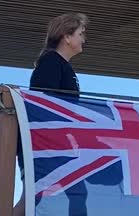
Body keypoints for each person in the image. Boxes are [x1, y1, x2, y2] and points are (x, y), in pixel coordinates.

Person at [14, 13, 88, 216]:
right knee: (34, 195)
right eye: (81, 33)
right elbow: (44, 105)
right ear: (66, 36)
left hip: (57, 142)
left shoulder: (62, 65)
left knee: (75, 191)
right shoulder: (51, 63)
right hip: (43, 142)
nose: (84, 38)